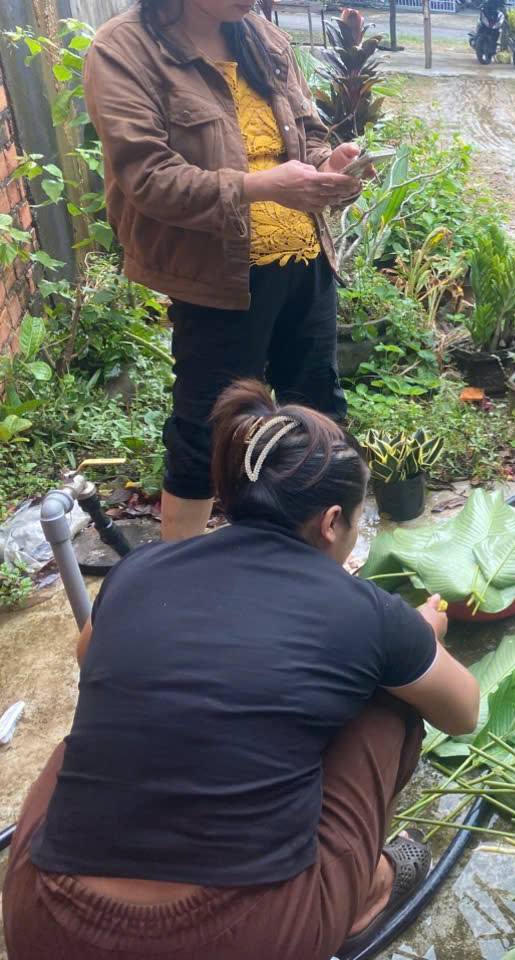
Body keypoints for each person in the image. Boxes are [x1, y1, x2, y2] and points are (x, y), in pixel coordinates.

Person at [2, 381, 481, 960]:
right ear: (332, 523)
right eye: (358, 521)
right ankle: (368, 888)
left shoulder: (141, 570)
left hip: (45, 921)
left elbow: (90, 658)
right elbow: (463, 711)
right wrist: (421, 635)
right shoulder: (365, 612)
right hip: (243, 937)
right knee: (396, 696)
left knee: (85, 735)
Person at [84, 0, 366, 542]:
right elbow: (148, 178)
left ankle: (318, 563)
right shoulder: (123, 50)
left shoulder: (260, 36)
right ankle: (178, 581)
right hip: (218, 279)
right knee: (205, 434)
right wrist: (260, 186)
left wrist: (327, 164)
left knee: (318, 412)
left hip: (305, 261)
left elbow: (304, 133)